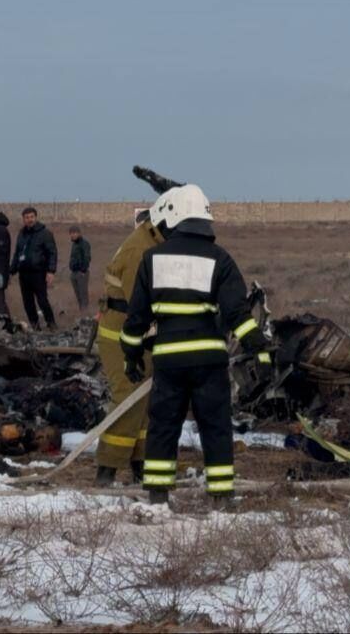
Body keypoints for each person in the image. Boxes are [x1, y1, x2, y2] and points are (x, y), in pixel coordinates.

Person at [120, 185, 270, 506]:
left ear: (172, 216)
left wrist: (131, 356)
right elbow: (237, 315)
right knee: (215, 428)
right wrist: (260, 349)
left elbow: (135, 321)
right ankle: (221, 497)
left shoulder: (152, 259)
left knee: (163, 427)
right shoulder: (221, 259)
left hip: (168, 362)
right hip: (209, 362)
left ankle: (158, 496)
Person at [93, 200, 169, 486]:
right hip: (122, 333)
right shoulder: (141, 250)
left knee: (145, 401)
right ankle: (107, 468)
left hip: (139, 331)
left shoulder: (153, 241)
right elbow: (142, 301)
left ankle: (141, 463)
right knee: (128, 397)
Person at [10, 207, 58, 330]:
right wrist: (12, 270)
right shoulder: (22, 234)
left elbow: (52, 253)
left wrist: (51, 271)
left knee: (42, 300)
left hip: (38, 273)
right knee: (28, 303)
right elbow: (17, 253)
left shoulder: (45, 233)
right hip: (24, 273)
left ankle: (51, 324)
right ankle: (35, 327)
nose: (29, 220)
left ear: (35, 217)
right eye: (27, 217)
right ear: (23, 219)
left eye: (31, 217)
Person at [68, 226, 92, 314]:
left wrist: (83, 270)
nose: (73, 235)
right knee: (78, 295)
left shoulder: (84, 243)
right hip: (73, 273)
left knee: (83, 295)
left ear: (79, 233)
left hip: (81, 273)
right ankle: (81, 312)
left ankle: (86, 314)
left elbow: (87, 258)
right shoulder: (74, 244)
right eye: (71, 233)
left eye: (74, 233)